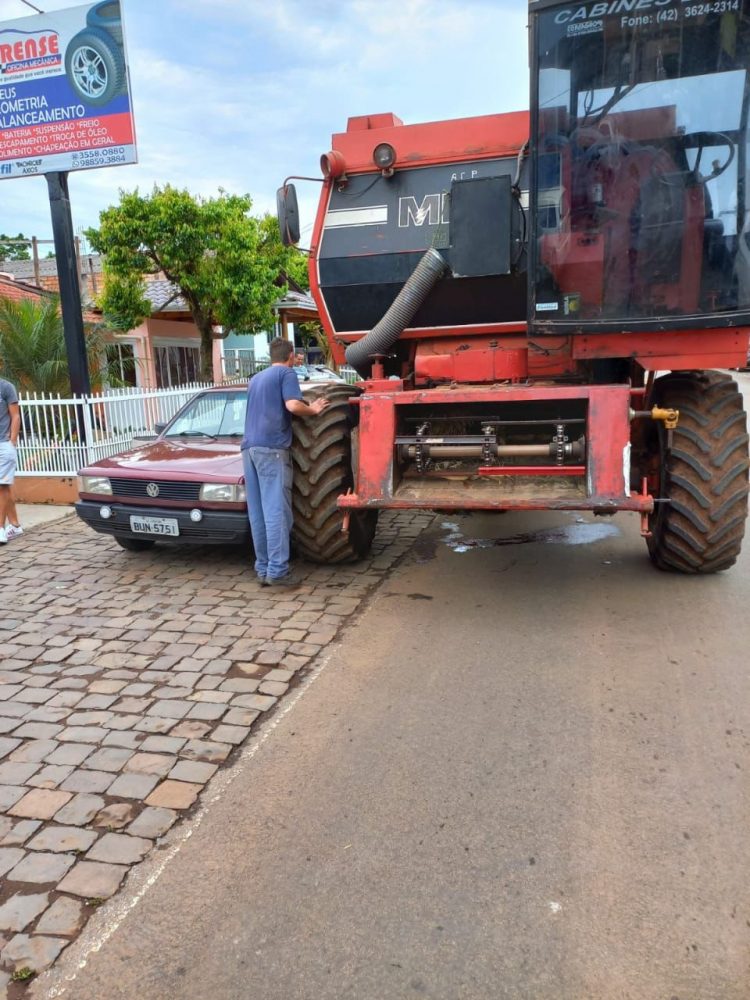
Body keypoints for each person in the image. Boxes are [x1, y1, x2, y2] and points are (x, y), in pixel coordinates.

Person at [241, 338, 329, 587]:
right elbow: (292, 405)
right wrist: (313, 409)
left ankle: (263, 569)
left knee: (257, 512)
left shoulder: (256, 379)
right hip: (272, 448)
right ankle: (278, 571)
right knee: (276, 511)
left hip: (249, 449)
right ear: (290, 355)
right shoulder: (286, 374)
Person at [0, 375, 22, 545]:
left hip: (3, 444)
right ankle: (14, 525)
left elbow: (15, 416)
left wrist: (12, 441)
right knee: (4, 487)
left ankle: (0, 529)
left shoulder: (6, 387)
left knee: (1, 486)